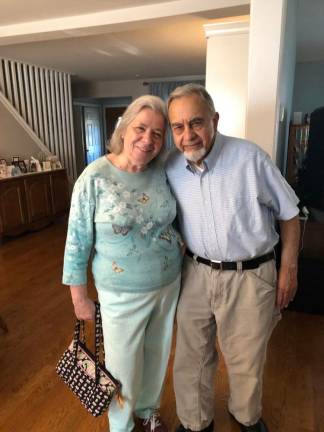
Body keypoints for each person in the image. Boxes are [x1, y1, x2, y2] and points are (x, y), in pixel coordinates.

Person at [166, 84, 300, 432]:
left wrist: (289, 268)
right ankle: (195, 422)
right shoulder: (171, 167)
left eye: (196, 123)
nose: (187, 135)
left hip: (249, 275)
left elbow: (289, 213)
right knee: (191, 357)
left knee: (245, 359)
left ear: (214, 120)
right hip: (194, 272)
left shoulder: (249, 157)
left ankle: (245, 419)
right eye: (178, 127)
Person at [62, 95, 183, 432]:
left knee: (158, 355)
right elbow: (76, 241)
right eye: (141, 129)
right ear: (124, 128)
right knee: (123, 367)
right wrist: (78, 296)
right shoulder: (94, 177)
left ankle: (147, 411)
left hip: (168, 282)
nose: (148, 140)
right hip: (120, 292)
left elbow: (173, 218)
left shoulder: (163, 171)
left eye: (157, 134)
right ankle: (122, 425)